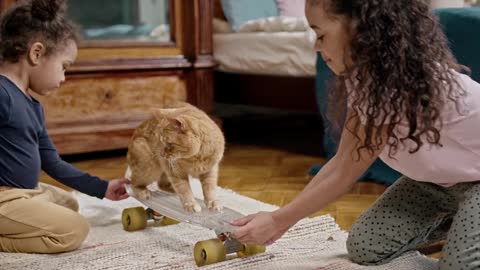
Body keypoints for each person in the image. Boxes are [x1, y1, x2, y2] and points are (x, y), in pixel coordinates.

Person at [231, 0, 480, 269]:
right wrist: (280, 219)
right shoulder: (366, 81)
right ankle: (460, 224)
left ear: (361, 29)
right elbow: (341, 161)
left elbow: (345, 174)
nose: (316, 46)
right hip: (437, 184)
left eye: (321, 35)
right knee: (365, 246)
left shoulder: (400, 86)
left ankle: (466, 229)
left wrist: (277, 221)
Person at [0, 0, 130, 254]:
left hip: (24, 193)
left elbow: (53, 163)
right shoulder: (2, 93)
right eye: (64, 67)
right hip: (4, 197)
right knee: (73, 229)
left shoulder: (33, 106)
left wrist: (101, 187)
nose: (63, 78)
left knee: (69, 203)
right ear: (36, 53)